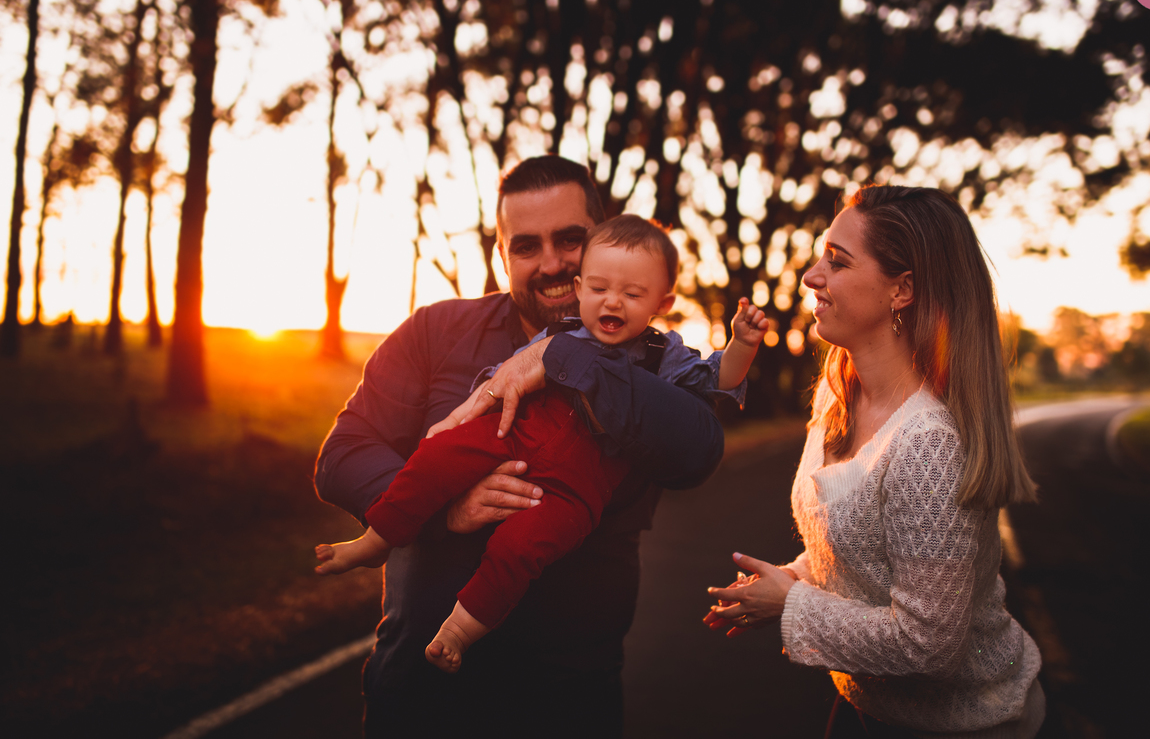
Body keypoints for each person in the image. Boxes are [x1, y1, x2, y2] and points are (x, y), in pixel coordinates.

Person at [314, 156, 726, 737]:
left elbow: (699, 451)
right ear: (501, 255)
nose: (552, 263)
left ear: (603, 239)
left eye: (571, 240)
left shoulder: (658, 362)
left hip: (568, 701)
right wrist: (442, 507)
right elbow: (343, 453)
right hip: (421, 701)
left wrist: (564, 355)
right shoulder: (435, 332)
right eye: (526, 246)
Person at [703, 185, 1044, 739]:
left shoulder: (930, 446)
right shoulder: (839, 392)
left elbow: (930, 644)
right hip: (867, 707)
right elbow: (865, 550)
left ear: (901, 290)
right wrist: (787, 576)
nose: (812, 276)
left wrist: (790, 603)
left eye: (836, 262)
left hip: (962, 725)